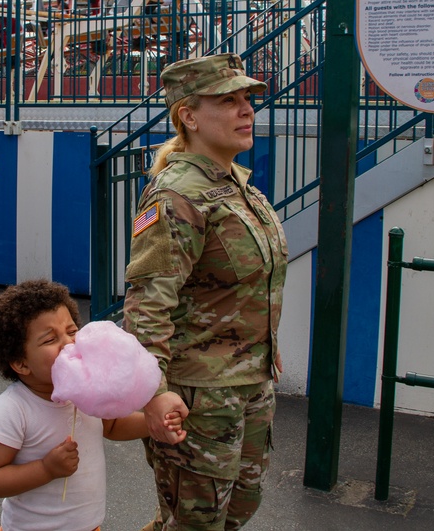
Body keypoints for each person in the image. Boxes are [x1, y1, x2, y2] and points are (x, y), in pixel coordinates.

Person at [123, 53, 288, 530]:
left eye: (247, 100)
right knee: (194, 522)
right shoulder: (177, 195)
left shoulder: (237, 185)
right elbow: (147, 304)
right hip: (199, 394)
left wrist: (264, 343)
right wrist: (153, 393)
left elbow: (254, 281)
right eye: (228, 100)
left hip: (249, 380)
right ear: (189, 116)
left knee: (239, 509)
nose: (246, 111)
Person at [0, 279, 184, 531]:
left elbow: (112, 426)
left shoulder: (85, 393)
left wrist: (154, 423)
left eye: (72, 331)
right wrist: (45, 469)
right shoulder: (12, 410)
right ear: (21, 363)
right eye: (50, 339)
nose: (69, 343)